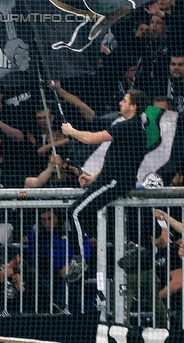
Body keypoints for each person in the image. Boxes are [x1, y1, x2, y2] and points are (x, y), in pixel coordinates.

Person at [60, 89, 150, 282]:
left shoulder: (128, 127)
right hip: (109, 179)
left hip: (113, 182)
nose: (120, 103)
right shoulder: (136, 128)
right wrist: (93, 177)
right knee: (88, 213)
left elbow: (92, 138)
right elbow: (121, 159)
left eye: (124, 101)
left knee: (74, 212)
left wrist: (70, 131)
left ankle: (79, 259)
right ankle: (130, 246)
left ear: (133, 106)